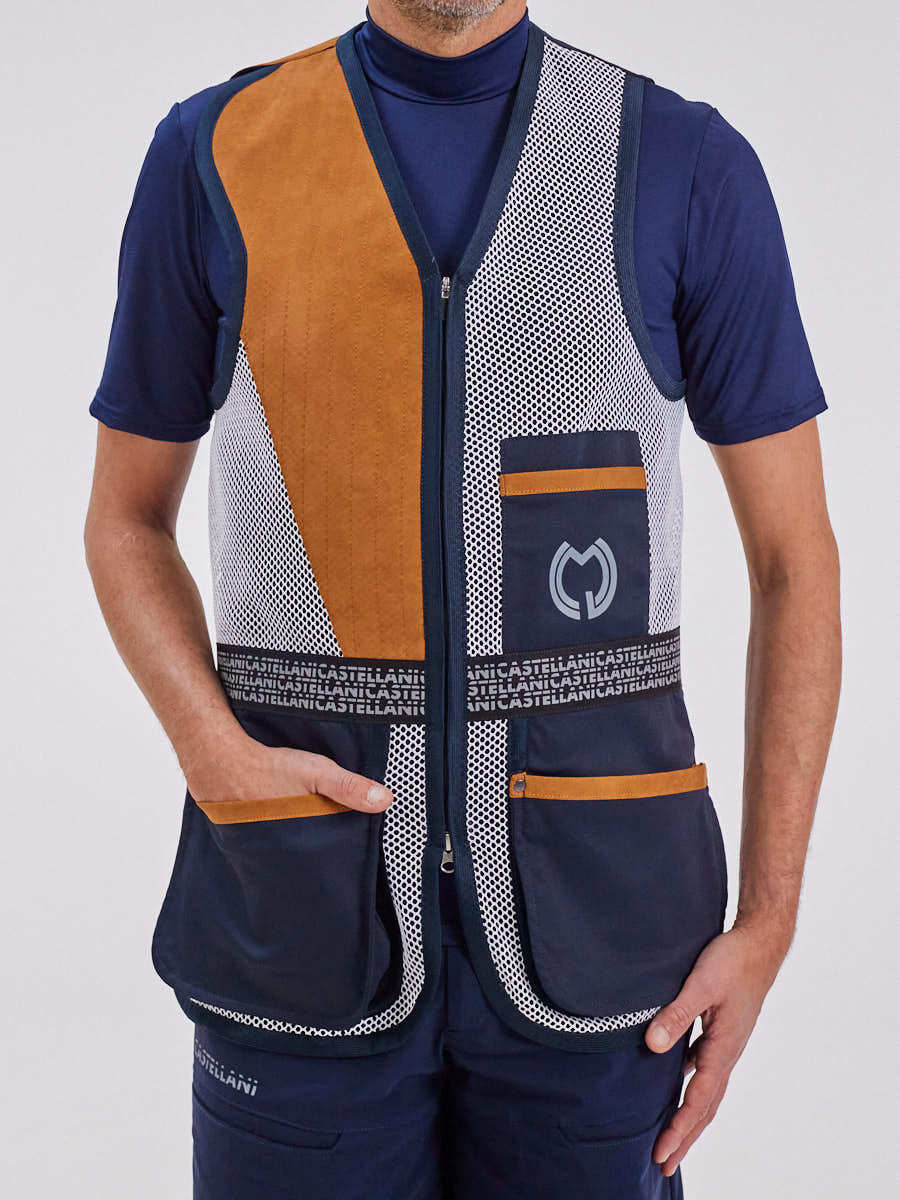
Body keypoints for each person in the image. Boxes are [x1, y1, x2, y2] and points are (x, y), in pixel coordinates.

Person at [83, 2, 841, 1196]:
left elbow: (796, 561)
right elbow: (125, 517)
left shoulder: (682, 161)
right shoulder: (214, 152)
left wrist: (773, 919)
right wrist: (210, 750)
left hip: (606, 932)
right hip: (298, 916)